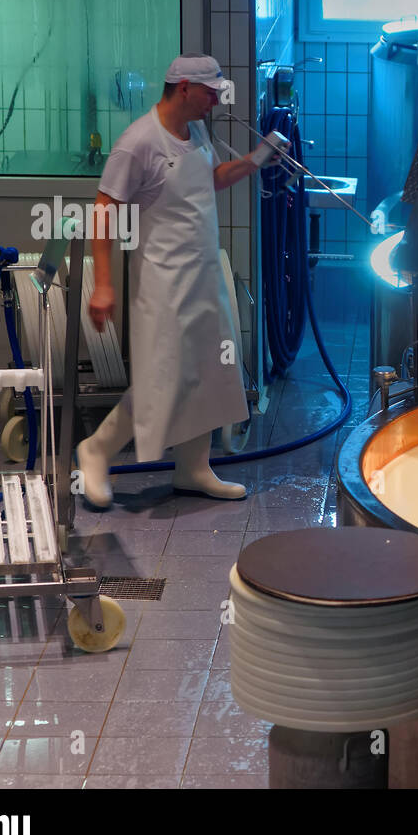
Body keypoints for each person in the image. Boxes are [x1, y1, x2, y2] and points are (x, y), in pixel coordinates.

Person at [77, 54, 286, 508]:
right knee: (162, 380)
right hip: (163, 283)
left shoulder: (195, 130)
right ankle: (96, 451)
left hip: (204, 273)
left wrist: (258, 158)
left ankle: (193, 468)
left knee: (208, 370)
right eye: (210, 92)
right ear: (185, 87)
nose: (216, 100)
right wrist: (104, 284)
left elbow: (209, 180)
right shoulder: (138, 143)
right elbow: (103, 211)